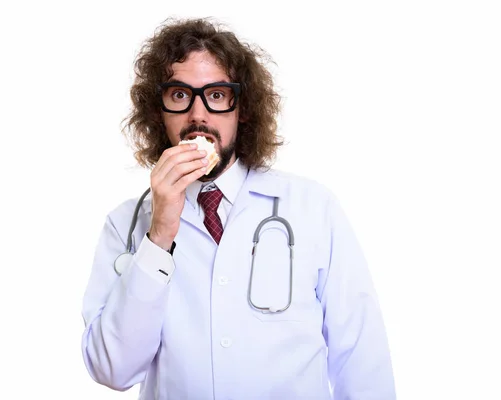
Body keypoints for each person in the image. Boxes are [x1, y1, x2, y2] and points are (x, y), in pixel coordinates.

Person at [81, 17, 396, 399]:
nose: (198, 115)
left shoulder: (313, 208)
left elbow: (361, 355)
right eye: (180, 95)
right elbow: (113, 370)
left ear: (241, 108)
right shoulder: (126, 226)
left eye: (216, 95)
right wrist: (160, 233)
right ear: (158, 110)